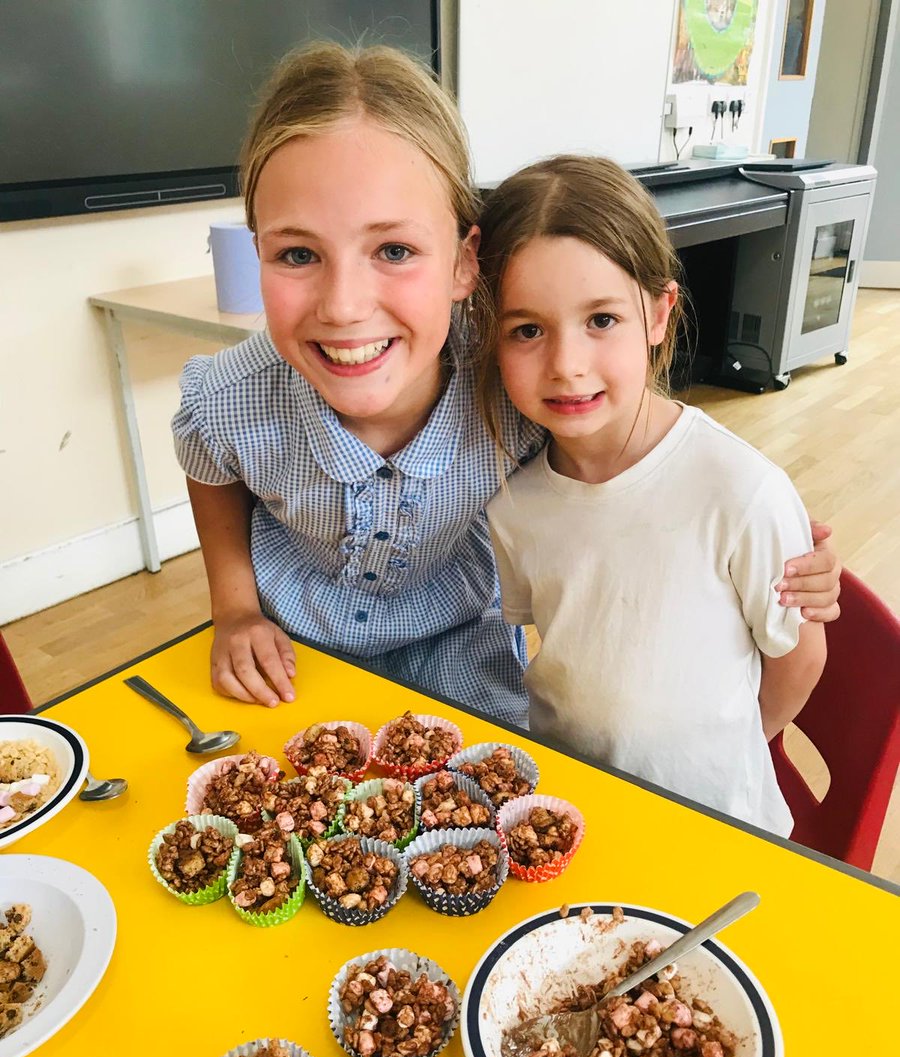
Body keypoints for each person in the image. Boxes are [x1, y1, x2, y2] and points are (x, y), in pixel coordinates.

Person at [172, 42, 839, 731]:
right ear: (257, 255)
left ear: (464, 265)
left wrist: (772, 528)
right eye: (298, 253)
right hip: (290, 665)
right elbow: (207, 460)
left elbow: (641, 462)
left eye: (394, 250)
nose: (343, 306)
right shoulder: (229, 396)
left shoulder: (518, 379)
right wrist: (236, 606)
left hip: (467, 668)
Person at [477, 155, 827, 834]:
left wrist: (718, 764)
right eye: (527, 330)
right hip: (572, 812)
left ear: (659, 315)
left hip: (713, 826)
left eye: (601, 320)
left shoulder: (741, 491)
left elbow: (799, 659)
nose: (567, 364)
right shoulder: (513, 502)